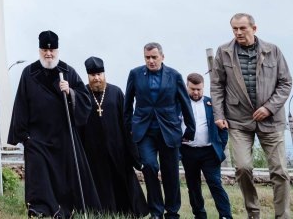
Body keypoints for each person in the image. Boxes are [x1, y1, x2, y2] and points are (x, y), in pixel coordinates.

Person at [8, 30, 101, 218]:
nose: (48, 54)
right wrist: (24, 135)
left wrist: (70, 92)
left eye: (52, 51)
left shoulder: (68, 72)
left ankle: (63, 209)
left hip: (63, 135)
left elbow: (85, 100)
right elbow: (21, 103)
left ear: (57, 51)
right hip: (37, 135)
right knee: (39, 172)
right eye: (45, 50)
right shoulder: (29, 73)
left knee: (62, 175)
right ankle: (39, 208)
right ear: (40, 50)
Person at [210, 12, 292, 219]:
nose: (238, 32)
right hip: (238, 120)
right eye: (234, 29)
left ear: (254, 29)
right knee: (243, 167)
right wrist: (218, 114)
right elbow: (217, 85)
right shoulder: (223, 52)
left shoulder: (273, 50)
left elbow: (285, 83)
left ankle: (282, 216)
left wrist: (269, 108)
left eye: (242, 28)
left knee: (280, 171)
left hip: (271, 120)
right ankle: (253, 213)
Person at [124, 42, 195, 219]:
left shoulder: (174, 76)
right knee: (149, 166)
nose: (151, 61)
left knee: (170, 172)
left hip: (169, 130)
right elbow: (128, 102)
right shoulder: (135, 74)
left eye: (154, 57)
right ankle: (156, 212)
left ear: (162, 57)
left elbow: (185, 103)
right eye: (147, 57)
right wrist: (129, 127)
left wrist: (190, 129)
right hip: (144, 130)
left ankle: (172, 211)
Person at [79, 56, 148, 218]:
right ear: (88, 76)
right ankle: (101, 212)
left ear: (104, 74)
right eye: (93, 75)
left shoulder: (116, 92)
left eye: (99, 74)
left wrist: (133, 151)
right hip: (92, 149)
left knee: (122, 180)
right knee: (99, 182)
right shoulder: (82, 93)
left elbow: (126, 123)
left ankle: (129, 211)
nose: (97, 78)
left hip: (117, 147)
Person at [180, 72, 232, 219]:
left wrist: (219, 148)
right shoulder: (180, 104)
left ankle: (225, 216)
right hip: (188, 152)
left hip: (209, 152)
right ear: (187, 87)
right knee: (193, 186)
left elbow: (223, 129)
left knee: (215, 184)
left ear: (203, 88)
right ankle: (200, 215)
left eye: (199, 89)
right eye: (193, 89)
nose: (196, 92)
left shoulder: (213, 104)